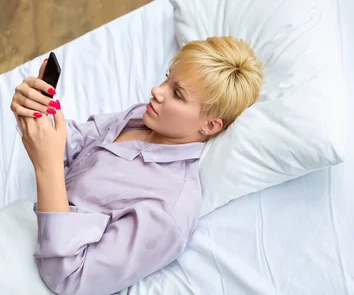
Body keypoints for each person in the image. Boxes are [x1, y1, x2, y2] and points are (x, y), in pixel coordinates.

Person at [9, 37, 263, 295]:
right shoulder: (143, 117)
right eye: (167, 77)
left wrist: (47, 166)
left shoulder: (168, 211)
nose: (157, 90)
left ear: (210, 125)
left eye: (177, 93)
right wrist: (35, 111)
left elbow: (71, 279)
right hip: (23, 228)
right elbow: (73, 142)